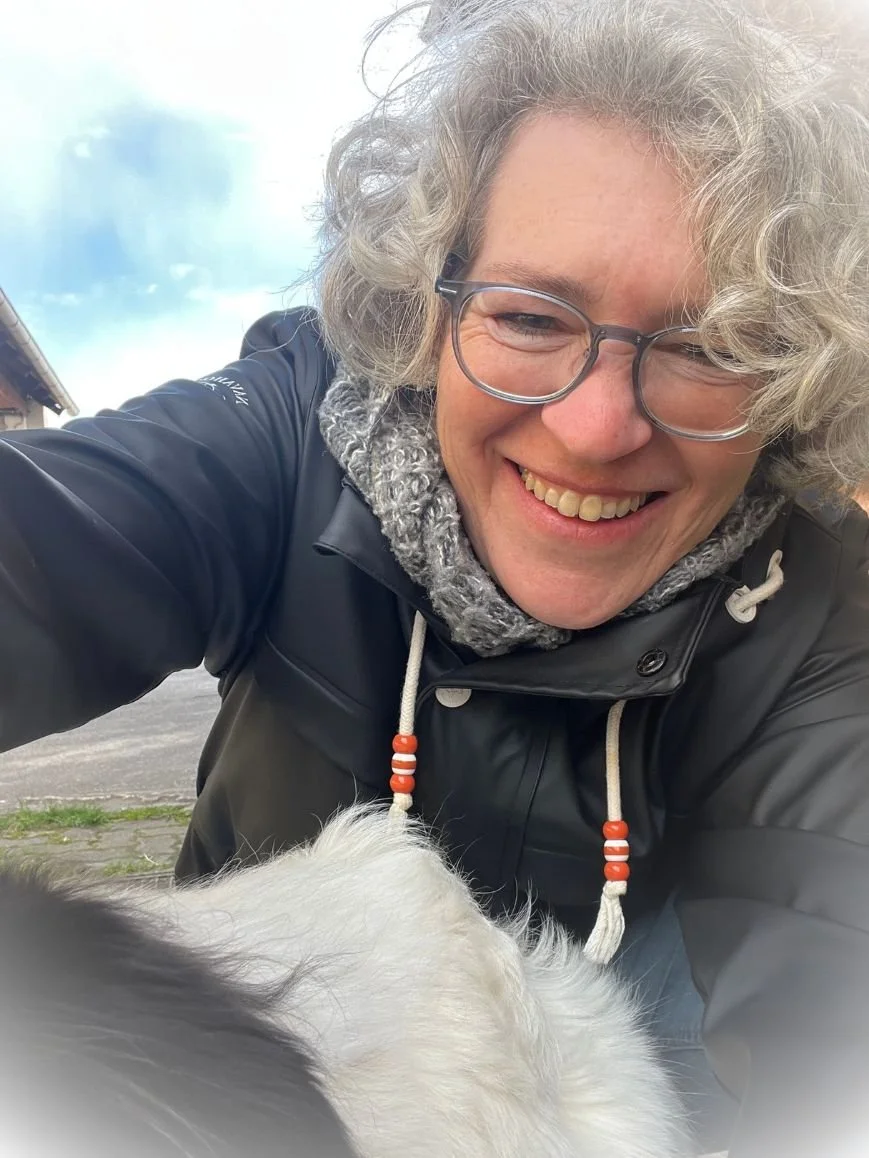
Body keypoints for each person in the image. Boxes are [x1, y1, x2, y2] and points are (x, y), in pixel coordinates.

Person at [2, 0, 868, 1153]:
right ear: (423, 309)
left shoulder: (817, 604)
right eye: (525, 315)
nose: (596, 426)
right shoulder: (288, 435)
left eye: (709, 344)